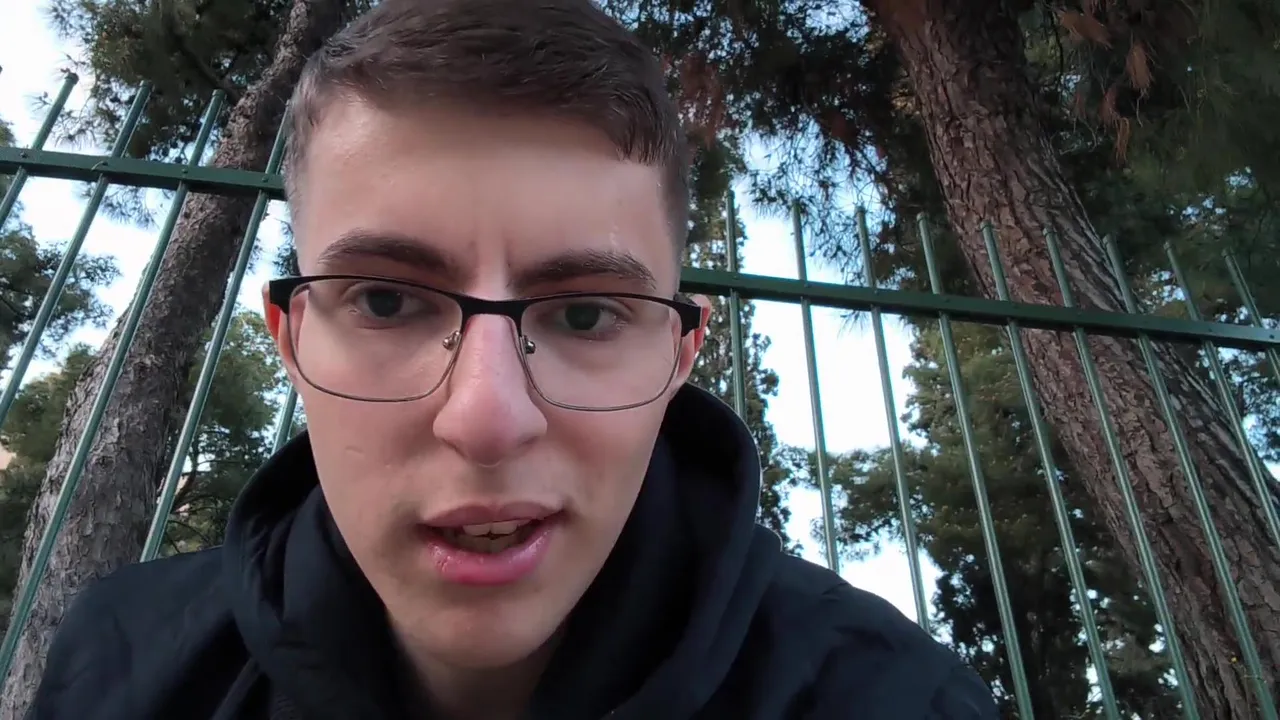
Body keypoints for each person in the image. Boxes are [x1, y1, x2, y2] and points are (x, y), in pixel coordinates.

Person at [28, 0, 998, 718]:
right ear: (290, 340)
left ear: (679, 357)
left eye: (584, 314)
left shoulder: (893, 699)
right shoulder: (121, 671)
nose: (486, 418)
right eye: (385, 301)